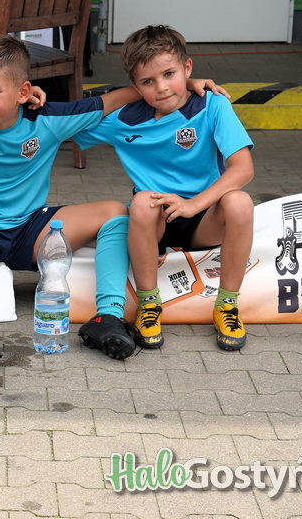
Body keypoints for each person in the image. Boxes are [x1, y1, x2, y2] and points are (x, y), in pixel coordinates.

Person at [0, 34, 225, 386]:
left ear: (23, 92)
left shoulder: (50, 119)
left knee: (116, 212)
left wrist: (187, 85)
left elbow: (113, 99)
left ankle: (108, 317)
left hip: (31, 228)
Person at [76, 25, 254, 351]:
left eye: (169, 74)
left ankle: (227, 305)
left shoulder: (212, 105)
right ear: (135, 87)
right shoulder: (124, 119)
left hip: (203, 218)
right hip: (155, 222)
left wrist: (193, 205)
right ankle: (148, 303)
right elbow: (65, 128)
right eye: (148, 82)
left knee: (240, 202)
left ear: (188, 67)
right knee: (142, 202)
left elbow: (243, 168)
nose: (161, 88)